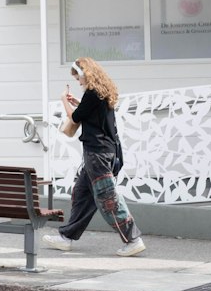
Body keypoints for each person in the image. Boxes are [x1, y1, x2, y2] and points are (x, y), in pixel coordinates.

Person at [43, 56, 146, 256]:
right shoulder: (101, 93)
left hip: (97, 153)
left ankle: (133, 239)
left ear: (84, 74)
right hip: (104, 151)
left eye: (77, 77)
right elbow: (93, 114)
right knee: (82, 193)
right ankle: (67, 237)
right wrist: (78, 102)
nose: (77, 81)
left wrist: (64, 100)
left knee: (108, 198)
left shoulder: (92, 94)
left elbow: (75, 117)